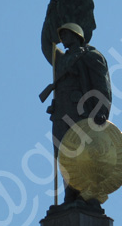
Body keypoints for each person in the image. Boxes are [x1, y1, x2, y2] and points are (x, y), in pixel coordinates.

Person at [41, 22, 112, 203]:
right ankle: (70, 192)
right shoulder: (61, 60)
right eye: (62, 35)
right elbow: (45, 43)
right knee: (64, 155)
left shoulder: (91, 56)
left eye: (66, 34)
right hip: (61, 112)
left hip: (80, 111)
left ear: (76, 35)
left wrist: (101, 110)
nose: (63, 39)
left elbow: (101, 84)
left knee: (82, 153)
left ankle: (86, 192)